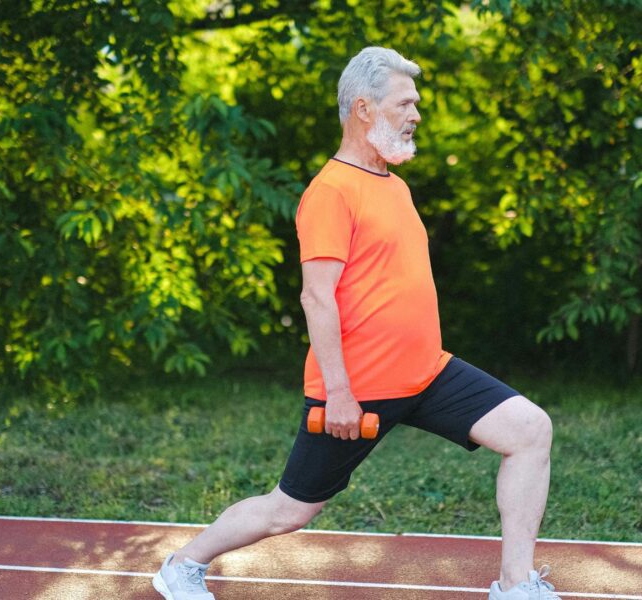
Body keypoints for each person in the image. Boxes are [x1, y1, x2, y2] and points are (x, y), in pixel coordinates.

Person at [152, 46, 560, 600]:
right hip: (357, 388)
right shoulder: (331, 191)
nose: (416, 114)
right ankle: (183, 564)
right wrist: (339, 392)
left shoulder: (394, 185)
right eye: (406, 103)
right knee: (290, 510)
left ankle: (515, 586)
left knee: (531, 430)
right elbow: (317, 297)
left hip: (426, 374)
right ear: (364, 109)